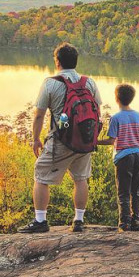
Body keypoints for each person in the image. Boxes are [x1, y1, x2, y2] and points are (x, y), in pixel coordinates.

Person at [17, 43, 101, 234]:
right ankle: (79, 221)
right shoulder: (89, 82)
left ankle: (40, 221)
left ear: (57, 62)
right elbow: (97, 112)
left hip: (60, 141)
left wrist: (35, 139)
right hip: (85, 140)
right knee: (81, 179)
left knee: (40, 175)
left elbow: (39, 114)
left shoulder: (50, 83)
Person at [98, 83, 139, 232]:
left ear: (116, 98)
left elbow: (111, 141)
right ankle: (136, 221)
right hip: (138, 156)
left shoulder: (116, 118)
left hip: (124, 158)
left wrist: (95, 142)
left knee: (123, 192)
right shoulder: (138, 115)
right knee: (136, 190)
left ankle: (124, 223)